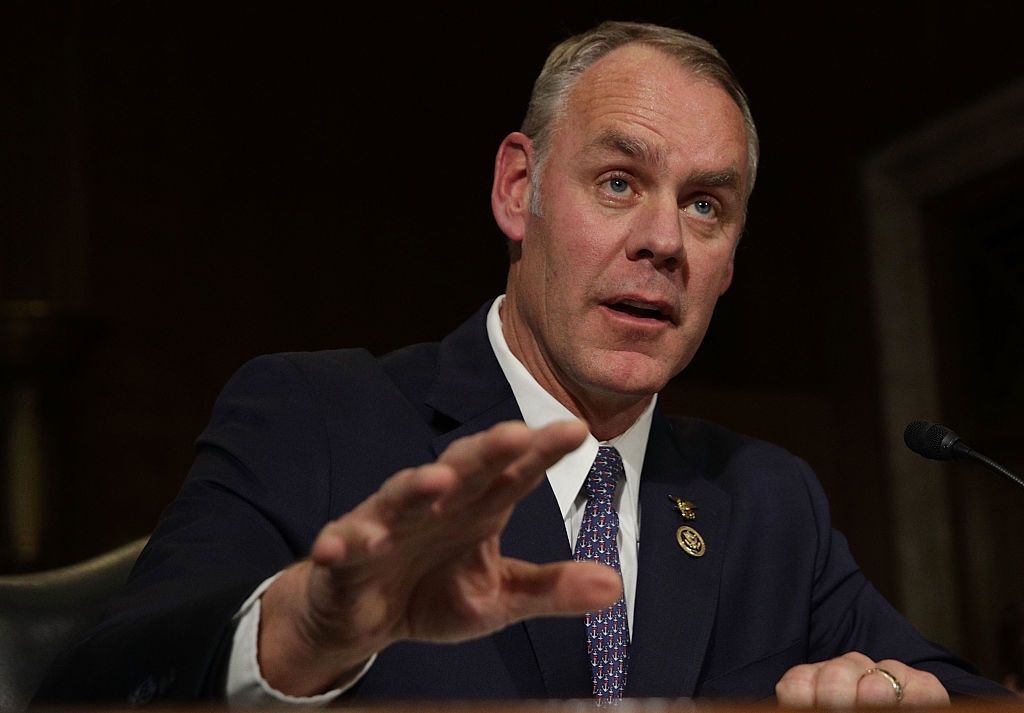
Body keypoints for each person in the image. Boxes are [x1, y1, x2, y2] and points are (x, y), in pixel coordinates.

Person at [34, 19, 1012, 708]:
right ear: (518, 188)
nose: (664, 240)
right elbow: (91, 686)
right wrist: (300, 633)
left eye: (706, 205)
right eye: (619, 180)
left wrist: (891, 689)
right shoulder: (316, 412)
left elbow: (957, 689)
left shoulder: (763, 497)